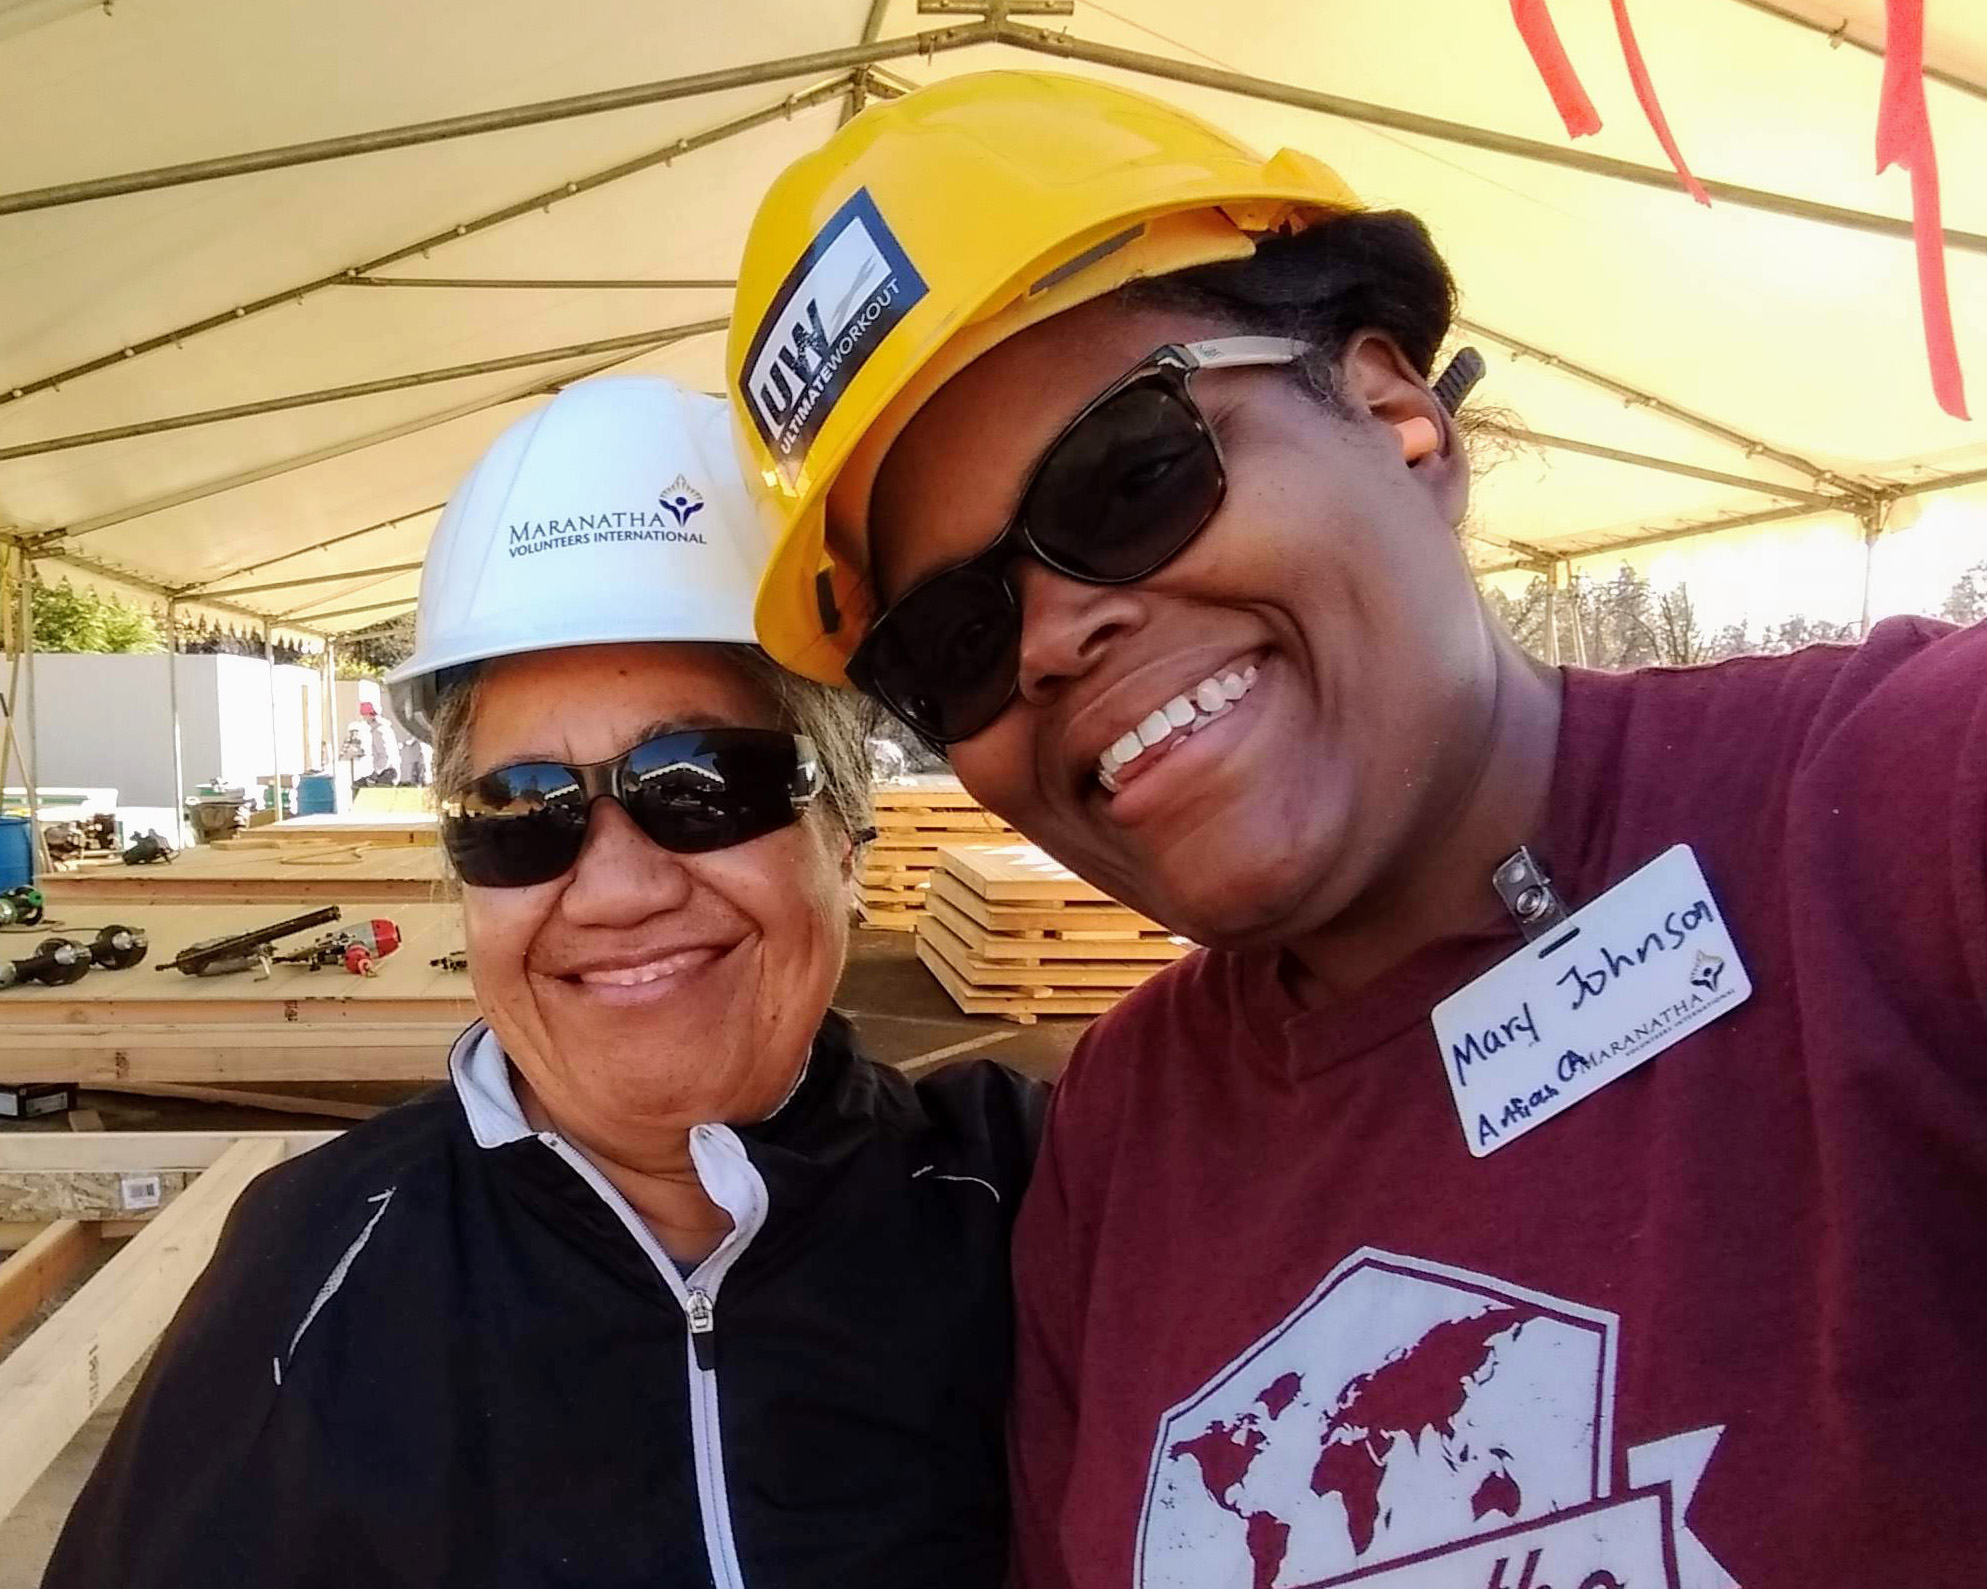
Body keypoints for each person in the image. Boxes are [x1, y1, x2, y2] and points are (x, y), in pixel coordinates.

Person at [729, 71, 1987, 1589]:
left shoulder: (1894, 815)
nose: (1052, 638)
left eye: (1129, 475)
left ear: (1395, 413)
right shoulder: (1125, 1128)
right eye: (954, 638)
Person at [45, 375, 1041, 1588]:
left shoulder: (1034, 1202)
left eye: (700, 780)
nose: (616, 887)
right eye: (518, 810)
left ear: (844, 834)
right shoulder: (314, 1261)